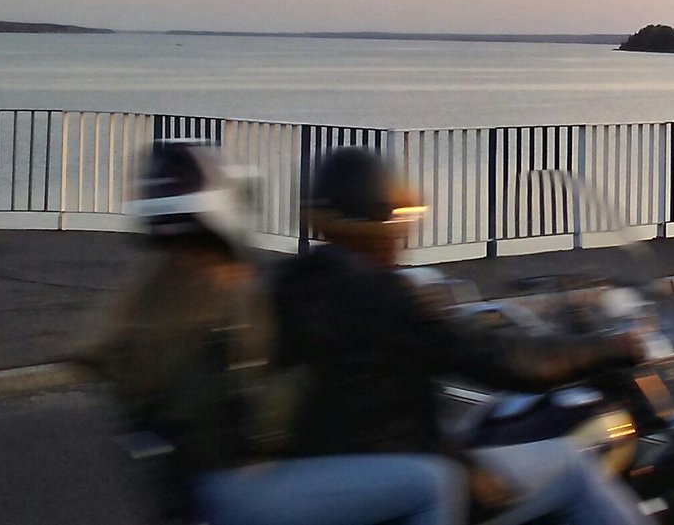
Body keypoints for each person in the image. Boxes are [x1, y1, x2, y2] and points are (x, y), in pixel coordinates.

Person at [75, 141, 467, 525]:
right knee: (433, 483)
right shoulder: (222, 291)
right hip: (237, 487)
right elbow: (257, 410)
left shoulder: (148, 295)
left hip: (188, 488)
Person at [271, 146, 652, 525]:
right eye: (399, 224)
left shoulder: (288, 282)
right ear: (382, 226)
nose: (403, 239)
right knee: (572, 466)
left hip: (317, 481)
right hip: (404, 472)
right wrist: (610, 348)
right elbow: (502, 361)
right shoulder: (386, 294)